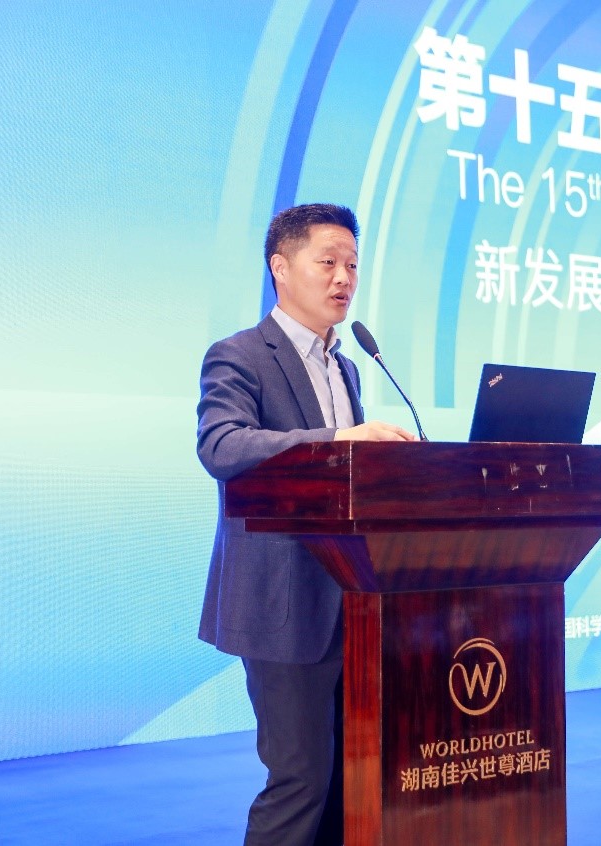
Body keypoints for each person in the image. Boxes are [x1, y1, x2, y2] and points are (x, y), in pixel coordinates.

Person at [196, 203, 416, 845]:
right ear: (281, 267)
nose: (344, 278)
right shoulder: (239, 355)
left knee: (351, 780)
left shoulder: (347, 366)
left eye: (353, 264)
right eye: (328, 262)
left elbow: (345, 482)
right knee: (300, 780)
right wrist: (342, 439)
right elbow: (221, 446)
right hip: (283, 602)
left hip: (355, 601)